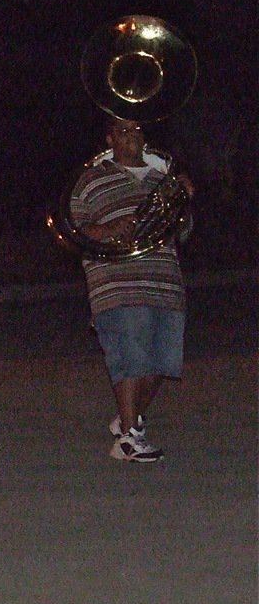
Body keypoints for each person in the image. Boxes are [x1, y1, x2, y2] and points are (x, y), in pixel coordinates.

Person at [69, 116, 193, 463]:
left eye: (136, 129)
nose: (131, 136)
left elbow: (183, 232)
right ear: (110, 139)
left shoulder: (162, 178)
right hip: (117, 282)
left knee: (163, 362)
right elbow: (76, 230)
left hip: (164, 280)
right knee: (131, 359)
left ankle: (129, 419)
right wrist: (110, 229)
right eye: (122, 131)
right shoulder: (91, 179)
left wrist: (183, 199)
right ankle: (127, 439)